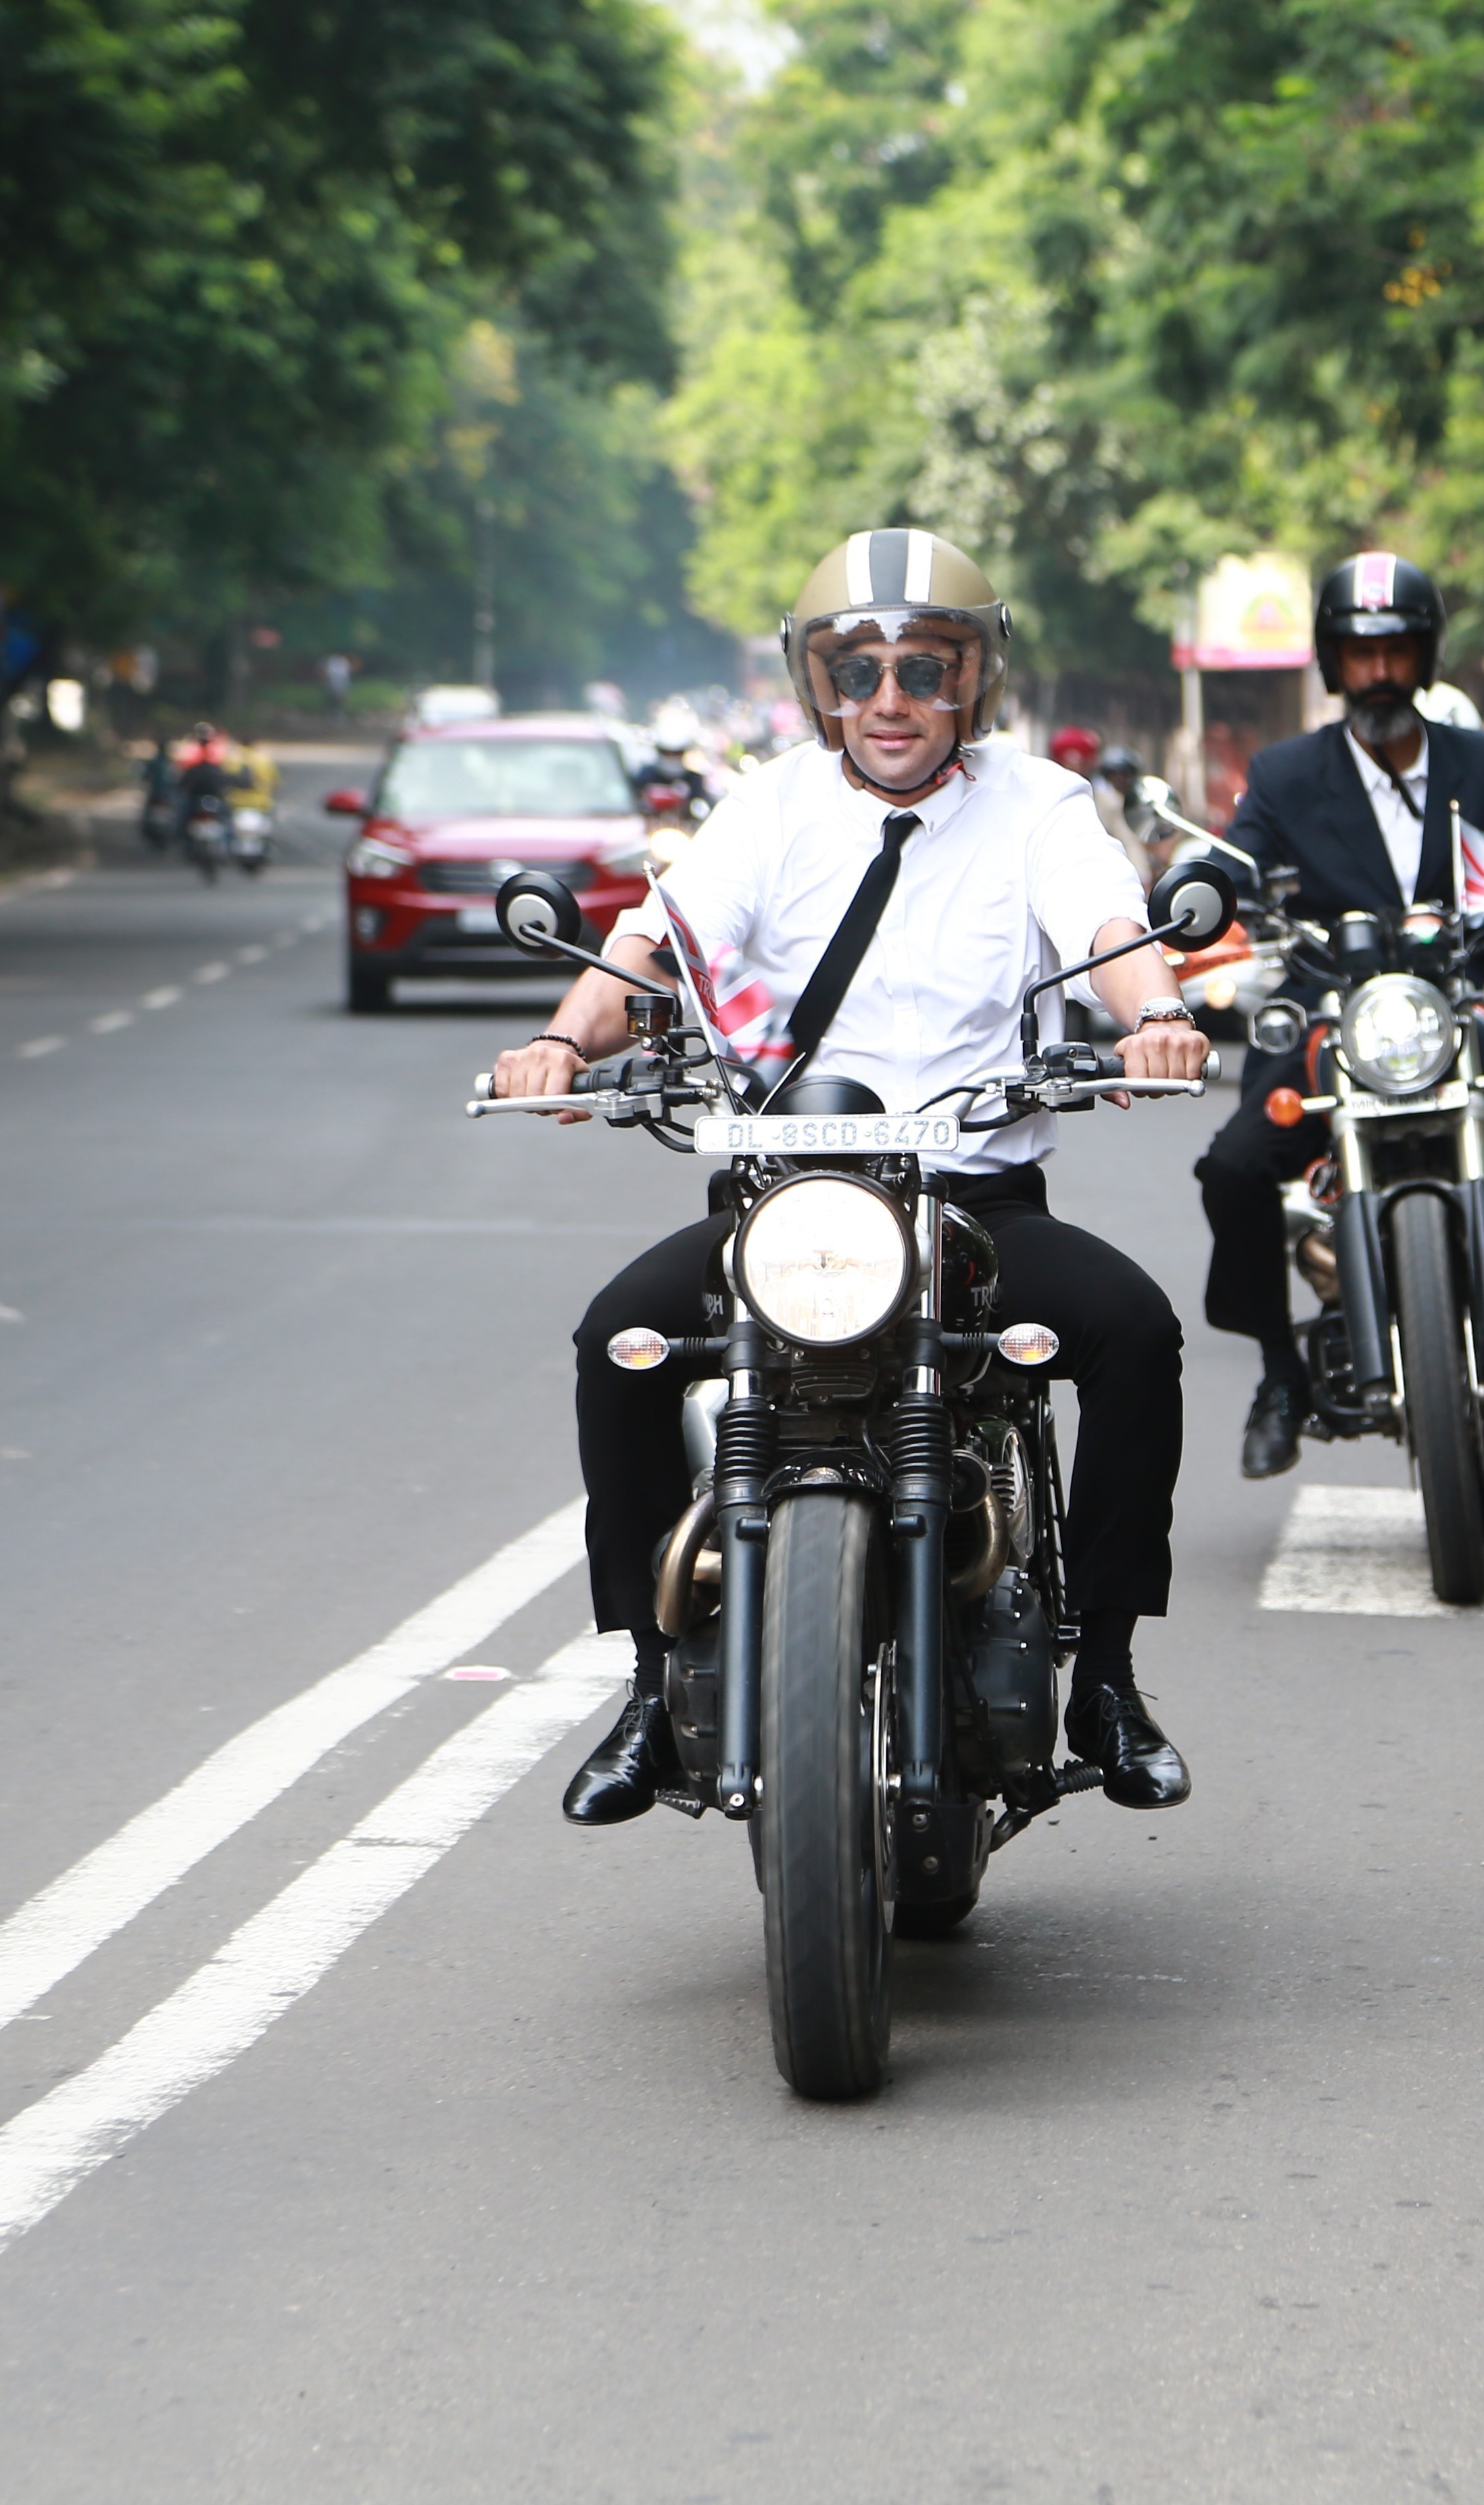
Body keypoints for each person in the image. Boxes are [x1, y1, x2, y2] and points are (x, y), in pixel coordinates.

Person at [489, 527, 1210, 1827]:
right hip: (786, 1201)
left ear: (972, 681)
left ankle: (1105, 1674)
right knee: (622, 1340)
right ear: (816, 682)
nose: (890, 702)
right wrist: (557, 1042)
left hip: (968, 1203)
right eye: (856, 670)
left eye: (924, 670)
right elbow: (655, 943)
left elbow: (1108, 926)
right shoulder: (767, 807)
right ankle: (651, 1688)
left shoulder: (1039, 805)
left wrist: (1154, 1011)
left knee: (1134, 1332)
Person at [1194, 551, 1484, 1478]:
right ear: (1331, 663)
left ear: (1427, 654)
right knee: (1237, 1168)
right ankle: (1279, 1371)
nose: (1379, 673)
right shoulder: (1284, 775)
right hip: (1333, 1022)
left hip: (1477, 1013)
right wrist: (1196, 886)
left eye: (1397, 650)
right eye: (1360, 654)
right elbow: (1234, 869)